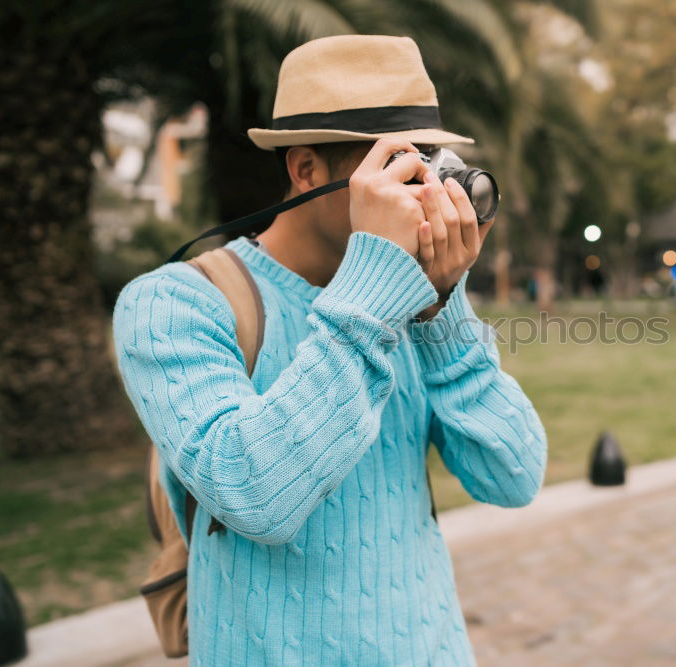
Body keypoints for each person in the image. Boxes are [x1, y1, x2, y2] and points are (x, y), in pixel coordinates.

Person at [112, 35, 547, 666]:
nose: (425, 194)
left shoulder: (412, 296)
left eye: (432, 166)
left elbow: (513, 478)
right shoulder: (172, 304)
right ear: (306, 170)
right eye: (400, 170)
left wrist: (440, 308)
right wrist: (372, 297)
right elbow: (253, 495)